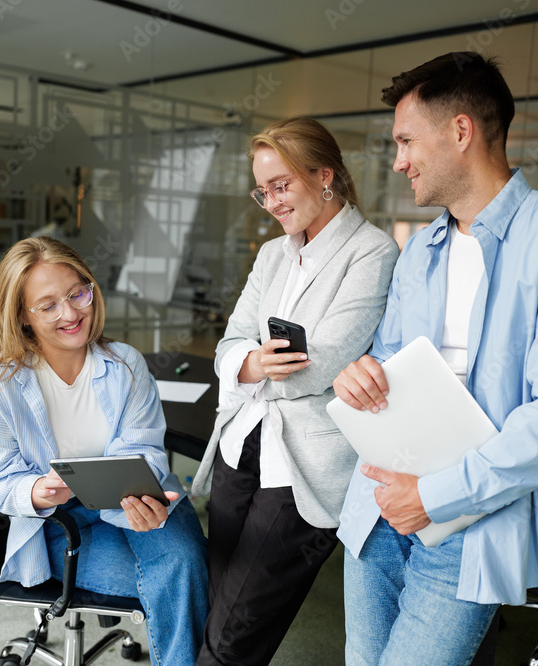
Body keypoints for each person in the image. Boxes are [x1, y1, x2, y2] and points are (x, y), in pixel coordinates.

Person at [332, 52, 538, 665]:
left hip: (470, 522)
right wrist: (361, 374)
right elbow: (390, 364)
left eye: (406, 140)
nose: (398, 160)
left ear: (461, 132)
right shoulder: (420, 250)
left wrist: (435, 495)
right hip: (379, 509)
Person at [190, 117, 399, 665]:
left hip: (306, 461)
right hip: (243, 444)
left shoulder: (371, 253)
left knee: (239, 624)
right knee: (218, 603)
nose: (272, 202)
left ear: (324, 176)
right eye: (263, 191)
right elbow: (229, 344)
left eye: (281, 185)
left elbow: (320, 364)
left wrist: (254, 366)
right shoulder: (271, 254)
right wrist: (255, 362)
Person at [0, 237, 208, 665]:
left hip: (142, 505)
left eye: (78, 293)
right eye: (49, 304)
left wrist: (141, 493)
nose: (72, 313)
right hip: (62, 525)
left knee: (186, 570)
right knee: (186, 584)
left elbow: (144, 448)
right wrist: (36, 490)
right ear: (21, 315)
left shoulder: (126, 364)